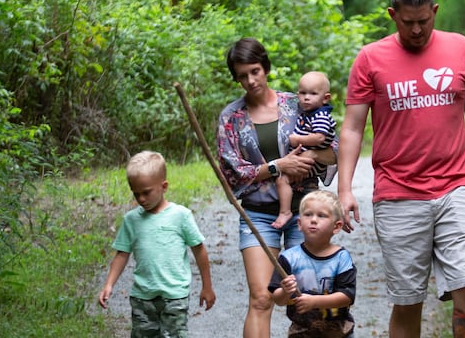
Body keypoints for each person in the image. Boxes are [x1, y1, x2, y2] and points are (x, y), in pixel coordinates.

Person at [336, 0, 465, 338]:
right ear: (393, 15)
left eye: (424, 21)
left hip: (455, 186)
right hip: (398, 194)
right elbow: (352, 128)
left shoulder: (459, 48)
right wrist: (344, 189)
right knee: (408, 299)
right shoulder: (370, 58)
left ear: (435, 12)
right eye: (407, 21)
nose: (416, 29)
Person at [217, 37, 338, 338]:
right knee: (261, 298)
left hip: (306, 214)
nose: (250, 80)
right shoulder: (231, 117)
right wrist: (276, 167)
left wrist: (308, 156)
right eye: (242, 75)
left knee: (308, 298)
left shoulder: (298, 105)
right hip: (258, 216)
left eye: (255, 71)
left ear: (266, 68)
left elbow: (334, 150)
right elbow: (231, 171)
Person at [98, 150, 216, 337]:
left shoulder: (181, 216)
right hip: (142, 297)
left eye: (146, 192)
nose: (141, 199)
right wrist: (109, 284)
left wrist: (207, 286)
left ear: (164, 186)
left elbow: (199, 250)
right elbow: (122, 254)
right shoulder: (131, 220)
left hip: (175, 296)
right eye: (136, 194)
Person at [269, 190, 356, 337]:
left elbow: (347, 296)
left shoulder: (341, 258)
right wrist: (285, 291)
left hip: (338, 332)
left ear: (337, 226)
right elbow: (278, 299)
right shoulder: (288, 257)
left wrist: (315, 302)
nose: (313, 220)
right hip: (301, 331)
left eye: (321, 215)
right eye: (308, 214)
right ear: (299, 224)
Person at [272, 71, 337, 229]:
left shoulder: (320, 116)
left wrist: (298, 139)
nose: (306, 97)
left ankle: (285, 211)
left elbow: (320, 138)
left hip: (312, 162)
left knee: (282, 179)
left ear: (325, 98)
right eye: (302, 93)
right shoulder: (309, 114)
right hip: (307, 158)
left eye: (313, 93)